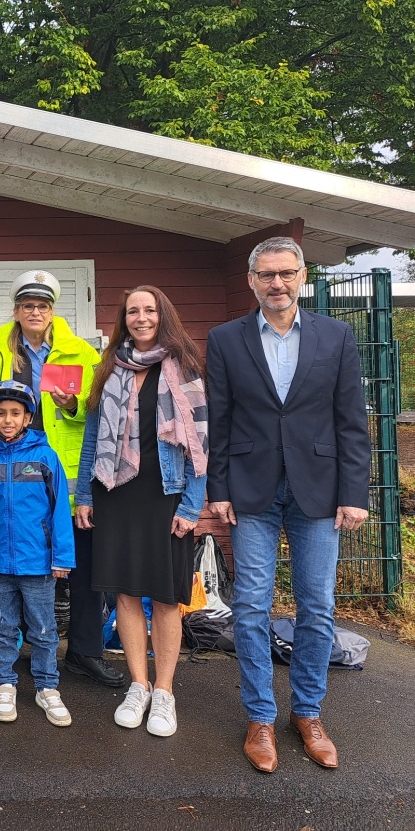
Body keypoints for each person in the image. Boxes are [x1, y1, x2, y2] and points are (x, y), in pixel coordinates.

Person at [206, 237, 370, 773]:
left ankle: (308, 712)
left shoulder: (336, 336)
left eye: (286, 273)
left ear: (303, 276)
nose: (277, 283)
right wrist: (219, 488)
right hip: (252, 489)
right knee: (251, 605)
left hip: (319, 491)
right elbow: (221, 421)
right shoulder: (227, 339)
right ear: (252, 280)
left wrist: (354, 494)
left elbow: (351, 422)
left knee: (316, 606)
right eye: (267, 274)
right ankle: (260, 717)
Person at [0, 270, 123, 690]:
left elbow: (100, 411)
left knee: (85, 570)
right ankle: (22, 651)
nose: (34, 312)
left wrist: (73, 404)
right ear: (16, 311)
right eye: (27, 305)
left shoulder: (80, 352)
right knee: (15, 563)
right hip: (12, 473)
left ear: (53, 310)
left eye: (42, 305)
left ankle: (84, 652)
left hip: (70, 473)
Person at [75, 286, 208, 738]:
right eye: (133, 311)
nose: (141, 318)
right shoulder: (108, 368)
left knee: (167, 596)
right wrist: (85, 495)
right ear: (123, 319)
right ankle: (139, 685)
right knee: (126, 593)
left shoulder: (186, 369)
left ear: (162, 315)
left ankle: (165, 692)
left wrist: (192, 505)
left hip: (166, 495)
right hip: (115, 491)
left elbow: (200, 447)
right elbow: (92, 439)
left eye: (149, 310)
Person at [0, 381, 75, 728]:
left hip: (38, 560)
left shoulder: (44, 456)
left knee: (44, 628)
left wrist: (62, 557)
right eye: (1, 413)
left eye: (15, 413)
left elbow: (59, 509)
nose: (7, 419)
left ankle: (46, 686)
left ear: (28, 417)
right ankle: (5, 683)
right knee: (3, 627)